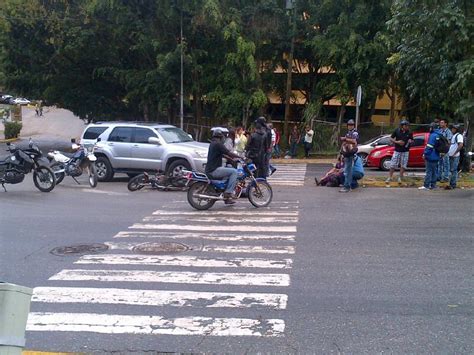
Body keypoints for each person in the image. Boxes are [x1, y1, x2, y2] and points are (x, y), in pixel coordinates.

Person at [205, 129, 241, 204]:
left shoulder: (213, 143)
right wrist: (240, 157)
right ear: (220, 137)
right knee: (234, 172)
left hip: (211, 169)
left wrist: (232, 159)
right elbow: (228, 152)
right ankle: (228, 193)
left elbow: (223, 154)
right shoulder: (218, 144)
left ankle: (226, 198)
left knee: (230, 169)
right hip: (214, 170)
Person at [419, 123, 442, 190]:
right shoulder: (439, 135)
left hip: (431, 155)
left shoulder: (432, 135)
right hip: (437, 156)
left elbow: (429, 146)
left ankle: (426, 185)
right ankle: (433, 185)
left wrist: (425, 154)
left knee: (429, 171)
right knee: (435, 171)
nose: (429, 129)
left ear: (432, 128)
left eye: (430, 127)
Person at [339, 119, 359, 193]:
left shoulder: (355, 133)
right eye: (349, 125)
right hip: (346, 153)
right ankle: (346, 184)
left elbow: (354, 141)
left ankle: (347, 186)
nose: (350, 126)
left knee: (348, 171)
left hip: (350, 153)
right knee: (346, 170)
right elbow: (344, 143)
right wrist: (340, 153)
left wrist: (345, 139)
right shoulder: (348, 133)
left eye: (351, 125)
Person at [445, 124, 464, 190]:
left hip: (455, 156)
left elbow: (460, 145)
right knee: (452, 170)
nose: (452, 130)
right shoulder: (454, 136)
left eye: (453, 129)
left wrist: (455, 153)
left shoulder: (459, 136)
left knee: (454, 170)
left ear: (456, 129)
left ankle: (453, 185)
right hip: (451, 155)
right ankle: (451, 184)